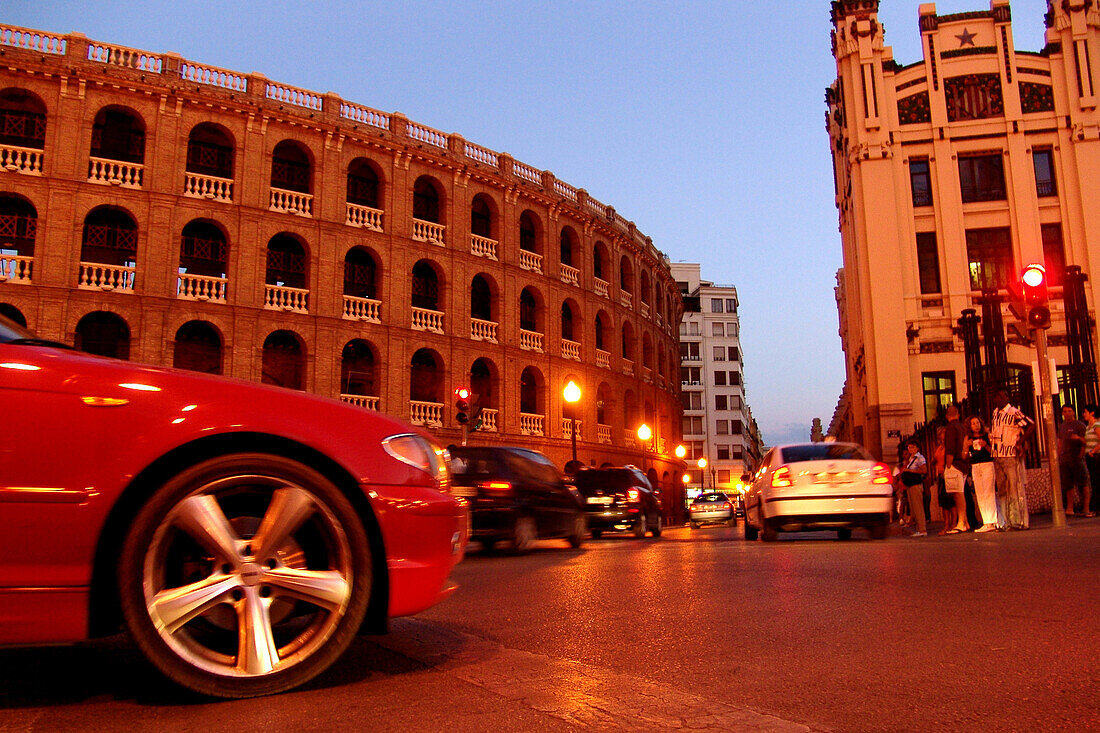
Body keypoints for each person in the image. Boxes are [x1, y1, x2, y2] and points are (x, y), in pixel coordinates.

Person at [990, 388, 1034, 530]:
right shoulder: (995, 413)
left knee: (1014, 488)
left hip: (1010, 454)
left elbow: (1030, 425)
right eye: (997, 397)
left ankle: (1018, 520)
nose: (998, 399)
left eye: (1001, 396)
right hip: (997, 454)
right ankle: (1006, 521)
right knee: (1002, 489)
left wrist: (1019, 443)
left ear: (1006, 398)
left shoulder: (1014, 412)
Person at [963, 416, 997, 532]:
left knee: (989, 492)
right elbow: (964, 455)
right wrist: (967, 447)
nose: (976, 425)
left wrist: (985, 445)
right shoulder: (968, 438)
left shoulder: (987, 435)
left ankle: (991, 521)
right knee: (980, 493)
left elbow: (994, 452)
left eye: (977, 422)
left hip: (986, 464)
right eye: (973, 423)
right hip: (975, 466)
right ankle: (985, 520)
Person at [1057, 404, 1091, 517]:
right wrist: (1058, 454)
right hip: (1064, 459)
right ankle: (1070, 508)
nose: (1067, 413)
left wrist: (1080, 455)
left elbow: (1085, 442)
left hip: (1076, 458)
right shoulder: (1062, 426)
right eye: (1065, 411)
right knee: (1068, 485)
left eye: (1069, 411)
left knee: (1083, 483)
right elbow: (1060, 441)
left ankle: (1086, 508)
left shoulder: (1080, 425)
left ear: (1074, 412)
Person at [942, 404, 970, 533]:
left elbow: (950, 448)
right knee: (961, 492)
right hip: (964, 463)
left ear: (947, 416)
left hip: (954, 464)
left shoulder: (950, 428)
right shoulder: (963, 427)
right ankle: (965, 522)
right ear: (958, 415)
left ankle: (961, 522)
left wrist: (948, 465)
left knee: (957, 494)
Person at [898, 440, 927, 536]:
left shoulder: (919, 458)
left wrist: (910, 471)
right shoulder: (911, 458)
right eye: (909, 447)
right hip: (910, 485)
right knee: (913, 508)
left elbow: (924, 470)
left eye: (912, 447)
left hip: (916, 484)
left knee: (918, 507)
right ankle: (919, 529)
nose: (910, 449)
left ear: (917, 448)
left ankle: (922, 530)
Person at [1082, 404, 1100, 517]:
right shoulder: (1088, 427)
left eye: (1085, 412)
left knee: (1097, 481)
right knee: (1094, 481)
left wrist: (1093, 451)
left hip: (1096, 456)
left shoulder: (1096, 425)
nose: (1084, 414)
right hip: (1089, 457)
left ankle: (1096, 508)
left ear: (1092, 413)